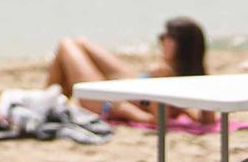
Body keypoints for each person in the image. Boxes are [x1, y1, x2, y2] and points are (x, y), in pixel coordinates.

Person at [46, 19, 210, 127]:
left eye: (165, 37)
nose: (161, 41)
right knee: (81, 42)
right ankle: (51, 100)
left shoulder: (161, 72)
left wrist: (125, 110)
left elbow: (156, 120)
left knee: (65, 44)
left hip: (108, 102)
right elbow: (203, 118)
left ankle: (46, 102)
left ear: (180, 45)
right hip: (129, 90)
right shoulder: (191, 73)